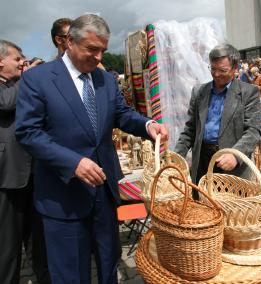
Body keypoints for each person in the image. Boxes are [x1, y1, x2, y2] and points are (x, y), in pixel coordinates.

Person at [15, 14, 168, 283]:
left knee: (109, 266)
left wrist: (148, 125)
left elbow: (122, 114)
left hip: (104, 194)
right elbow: (28, 133)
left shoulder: (105, 80)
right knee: (71, 273)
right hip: (62, 197)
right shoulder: (37, 79)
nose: (99, 57)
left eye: (103, 51)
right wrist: (72, 163)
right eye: (92, 49)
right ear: (69, 42)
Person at [175, 43, 261, 195]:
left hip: (231, 165)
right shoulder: (199, 92)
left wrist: (235, 154)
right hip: (202, 162)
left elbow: (254, 131)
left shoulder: (248, 93)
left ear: (235, 69)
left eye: (222, 70)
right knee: (202, 208)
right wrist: (176, 157)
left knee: (230, 211)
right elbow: (190, 130)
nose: (216, 74)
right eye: (213, 69)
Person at [0, 40, 48, 284]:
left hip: (31, 173)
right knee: (7, 249)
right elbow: (5, 103)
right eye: (17, 59)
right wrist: (27, 78)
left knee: (38, 241)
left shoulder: (15, 84)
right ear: (1, 62)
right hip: (7, 178)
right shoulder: (13, 86)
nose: (22, 63)